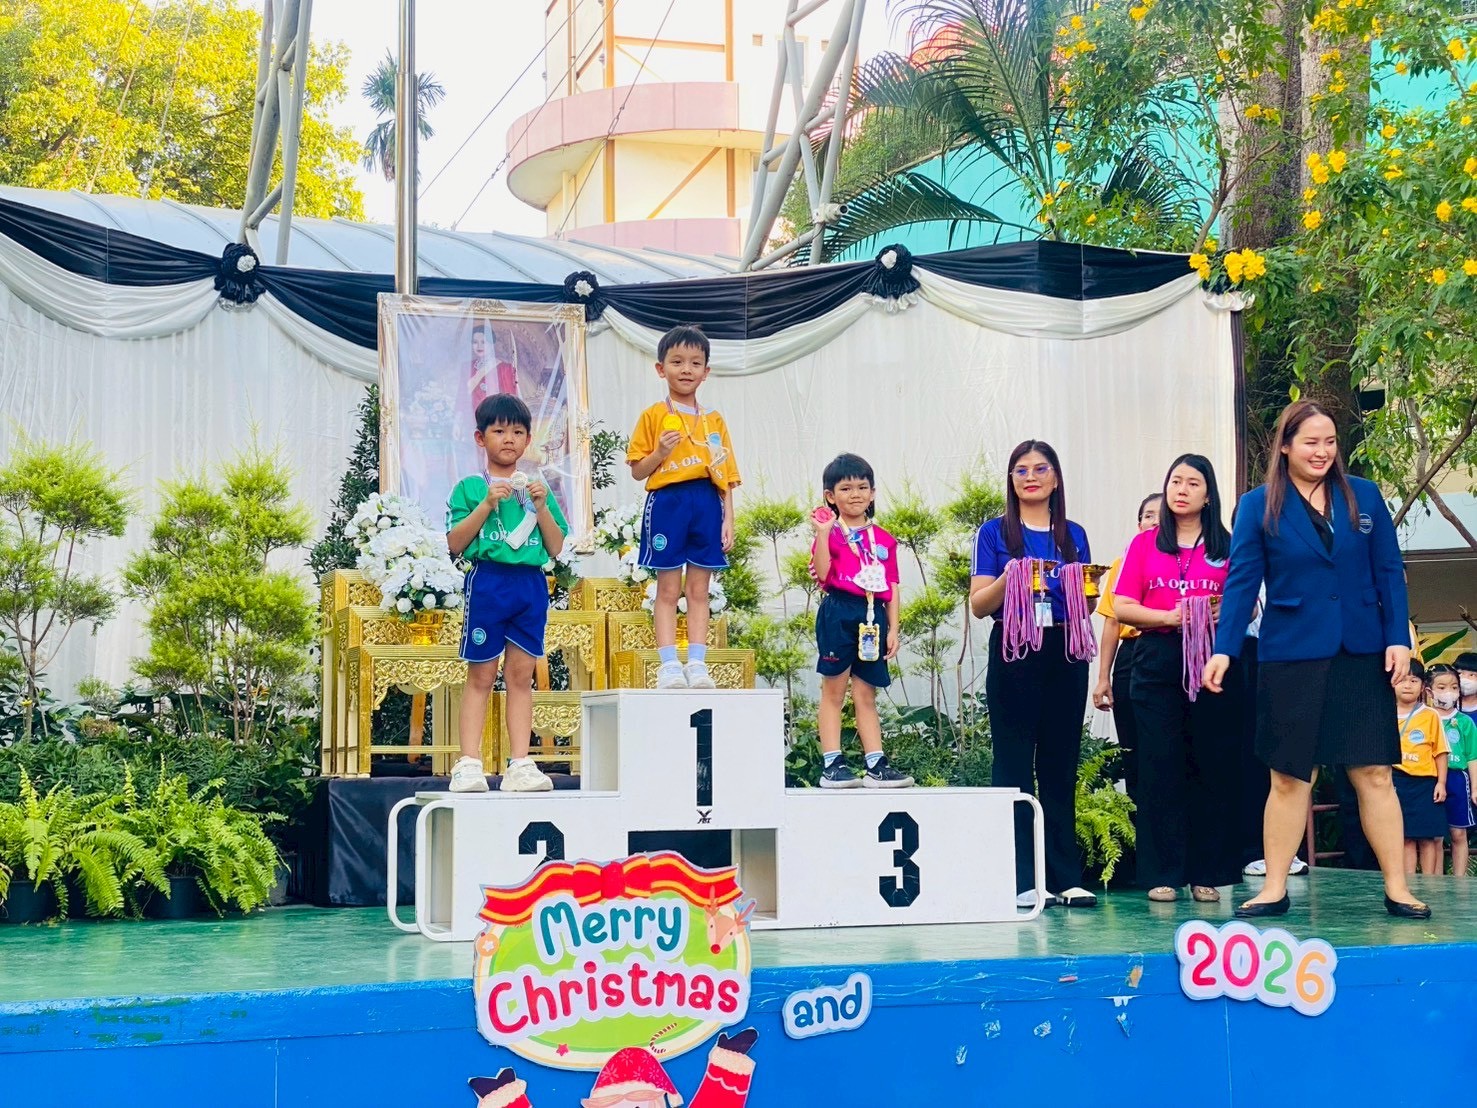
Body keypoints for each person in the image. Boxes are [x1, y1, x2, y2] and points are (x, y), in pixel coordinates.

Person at [1204, 400, 1428, 919]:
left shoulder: (1363, 495)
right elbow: (1242, 582)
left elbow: (1389, 570)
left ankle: (1398, 888)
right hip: (1291, 653)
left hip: (1362, 650)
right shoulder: (1257, 506)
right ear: (1285, 446)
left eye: (1330, 441)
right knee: (1288, 776)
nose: (1322, 451)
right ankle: (1273, 887)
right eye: (1311, 442)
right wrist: (1224, 649)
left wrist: (1398, 637)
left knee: (1374, 773)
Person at [969, 440, 1097, 910]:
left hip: (1065, 650)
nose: (1030, 477)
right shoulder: (994, 533)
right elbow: (979, 604)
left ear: (1055, 478)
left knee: (1060, 764)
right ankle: (1020, 878)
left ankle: (1065, 878)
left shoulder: (1073, 535)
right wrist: (1013, 577)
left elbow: (1085, 603)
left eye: (1040, 469)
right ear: (1011, 480)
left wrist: (1086, 591)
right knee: (1014, 764)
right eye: (1021, 470)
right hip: (1016, 648)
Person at [1111, 454, 1242, 904]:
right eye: (1175, 481)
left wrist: (1225, 611)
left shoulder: (1228, 545)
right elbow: (1122, 606)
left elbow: (1247, 601)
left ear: (1209, 495)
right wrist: (1169, 615)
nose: (1181, 490)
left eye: (1192, 483)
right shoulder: (1145, 543)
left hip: (1213, 662)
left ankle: (1206, 872)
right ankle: (1162, 872)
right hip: (1157, 658)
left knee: (1209, 764)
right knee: (1159, 765)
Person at [445, 393, 569, 793]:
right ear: (480, 438)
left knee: (521, 675)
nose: (509, 439)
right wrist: (486, 504)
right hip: (489, 583)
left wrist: (542, 507)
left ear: (528, 440)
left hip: (530, 585)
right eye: (499, 431)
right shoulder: (470, 488)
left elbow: (555, 547)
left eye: (517, 432)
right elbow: (455, 543)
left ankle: (520, 763)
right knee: (481, 674)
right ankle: (469, 763)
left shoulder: (537, 490)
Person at [627, 325, 739, 690]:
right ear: (661, 369)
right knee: (668, 588)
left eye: (695, 363)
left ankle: (697, 663)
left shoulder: (714, 419)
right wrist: (660, 451)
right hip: (668, 503)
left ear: (706, 371)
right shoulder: (652, 416)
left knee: (700, 590)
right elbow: (638, 471)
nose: (686, 369)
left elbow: (725, 473)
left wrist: (728, 518)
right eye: (677, 362)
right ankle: (669, 665)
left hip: (706, 502)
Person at [808, 453, 912, 789]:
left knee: (866, 693)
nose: (855, 494)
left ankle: (875, 764)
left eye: (862, 487)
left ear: (873, 492)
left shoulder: (884, 539)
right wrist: (822, 534)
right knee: (834, 690)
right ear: (830, 496)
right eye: (846, 488)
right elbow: (823, 574)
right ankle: (832, 764)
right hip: (839, 610)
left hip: (873, 615)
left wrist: (894, 628)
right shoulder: (830, 533)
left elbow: (892, 585)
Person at [1091, 493, 1162, 800]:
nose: (1155, 521)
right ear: (1138, 524)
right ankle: (1137, 817)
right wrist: (1103, 677)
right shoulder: (1122, 565)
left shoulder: (1184, 565)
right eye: (1148, 515)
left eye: (1162, 515)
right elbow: (1111, 623)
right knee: (1132, 746)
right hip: (1130, 655)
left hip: (1167, 650)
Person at [1392, 661, 1448, 875]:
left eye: (1414, 680)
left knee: (1427, 837)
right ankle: (1409, 883)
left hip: (1425, 783)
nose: (1408, 685)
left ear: (1423, 686)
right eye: (1402, 680)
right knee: (1405, 837)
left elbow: (1440, 752)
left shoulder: (1431, 715)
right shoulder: (1385, 714)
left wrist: (1441, 783)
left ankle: (1429, 883)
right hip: (1396, 781)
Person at [1430, 663, 1477, 876]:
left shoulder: (1465, 722)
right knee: (1435, 836)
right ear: (1429, 691)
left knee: (1458, 834)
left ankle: (1460, 882)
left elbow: (1472, 756)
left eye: (1454, 687)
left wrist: (1475, 788)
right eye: (1441, 687)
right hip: (1430, 779)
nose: (1448, 692)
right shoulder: (1425, 718)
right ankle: (1436, 882)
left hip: (1458, 779)